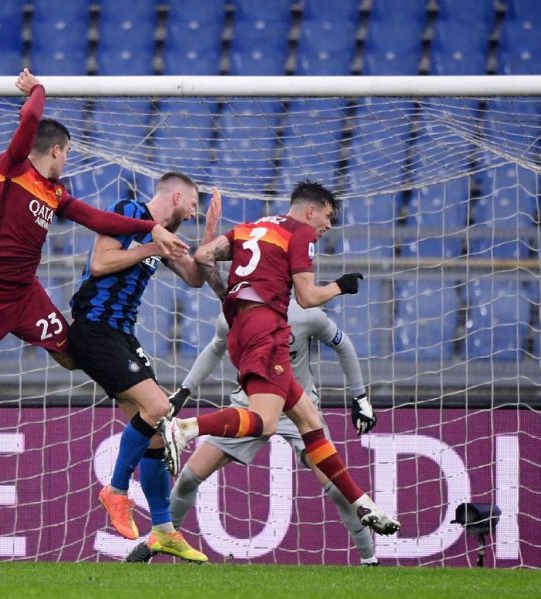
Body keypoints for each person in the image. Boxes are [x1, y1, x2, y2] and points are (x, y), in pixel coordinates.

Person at [0, 69, 187, 407]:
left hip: (25, 294)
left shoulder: (55, 192)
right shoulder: (12, 168)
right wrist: (38, 88)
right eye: (66, 154)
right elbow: (32, 115)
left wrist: (149, 227)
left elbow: (97, 218)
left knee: (73, 356)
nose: (66, 160)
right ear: (56, 150)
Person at [159, 180, 400, 536]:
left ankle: (363, 503)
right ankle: (186, 429)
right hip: (266, 328)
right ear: (310, 210)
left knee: (309, 421)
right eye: (328, 217)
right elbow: (305, 298)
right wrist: (340, 286)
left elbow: (203, 255)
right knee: (266, 421)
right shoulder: (298, 234)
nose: (328, 226)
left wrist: (230, 296)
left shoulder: (252, 227)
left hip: (242, 327)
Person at [127, 301, 380, 565]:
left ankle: (369, 559)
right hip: (248, 410)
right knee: (190, 477)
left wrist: (360, 396)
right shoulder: (234, 314)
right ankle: (158, 543)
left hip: (299, 411)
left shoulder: (305, 316)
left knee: (336, 485)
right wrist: (186, 389)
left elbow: (343, 344)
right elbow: (215, 348)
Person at [69, 179, 221, 562]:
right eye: (192, 206)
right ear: (176, 197)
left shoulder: (164, 235)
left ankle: (164, 531)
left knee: (158, 432)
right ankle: (116, 490)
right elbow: (100, 262)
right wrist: (153, 245)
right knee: (157, 408)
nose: (192, 212)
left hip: (120, 334)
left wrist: (208, 236)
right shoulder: (130, 211)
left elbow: (195, 278)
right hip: (94, 328)